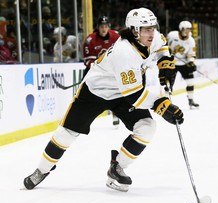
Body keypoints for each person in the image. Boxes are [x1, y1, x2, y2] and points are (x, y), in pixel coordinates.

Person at [23, 7, 184, 192]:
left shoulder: (151, 36)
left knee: (147, 127)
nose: (151, 33)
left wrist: (165, 62)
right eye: (146, 29)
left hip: (122, 93)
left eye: (152, 28)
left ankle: (117, 167)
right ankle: (41, 170)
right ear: (134, 30)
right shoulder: (124, 52)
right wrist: (162, 105)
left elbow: (162, 46)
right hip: (95, 92)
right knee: (65, 134)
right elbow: (134, 95)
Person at [83, 16, 120, 127]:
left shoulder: (116, 37)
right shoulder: (90, 40)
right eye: (101, 26)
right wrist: (99, 69)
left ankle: (116, 112)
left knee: (117, 92)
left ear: (109, 27)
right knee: (84, 92)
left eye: (105, 26)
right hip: (95, 71)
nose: (104, 29)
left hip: (113, 71)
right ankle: (83, 117)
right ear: (98, 27)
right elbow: (88, 60)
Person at [167, 20, 199, 109]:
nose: (189, 31)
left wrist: (191, 62)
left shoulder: (191, 40)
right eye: (187, 29)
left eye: (190, 29)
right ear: (181, 29)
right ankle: (167, 101)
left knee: (190, 81)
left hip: (183, 63)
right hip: (171, 62)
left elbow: (191, 54)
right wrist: (167, 49)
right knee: (169, 83)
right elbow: (163, 44)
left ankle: (191, 100)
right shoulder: (172, 35)